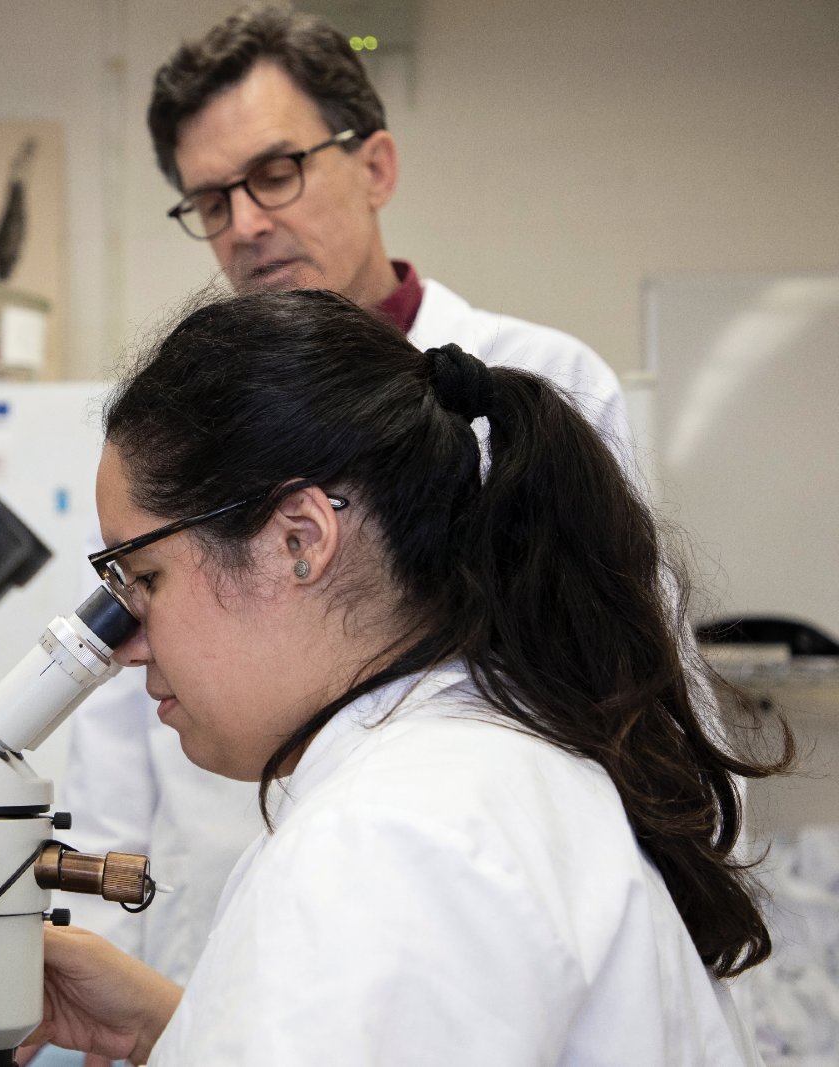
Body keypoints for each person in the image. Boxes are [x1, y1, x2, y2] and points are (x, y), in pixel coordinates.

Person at [29, 288, 788, 1065]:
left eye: (144, 577)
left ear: (301, 538)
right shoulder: (478, 770)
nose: (124, 646)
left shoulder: (389, 842)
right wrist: (174, 1031)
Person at [60, 4, 638, 985]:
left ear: (373, 165)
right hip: (218, 942)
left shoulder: (535, 378)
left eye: (274, 173)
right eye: (210, 200)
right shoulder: (177, 427)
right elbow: (113, 725)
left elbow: (619, 673)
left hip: (450, 909)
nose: (244, 223)